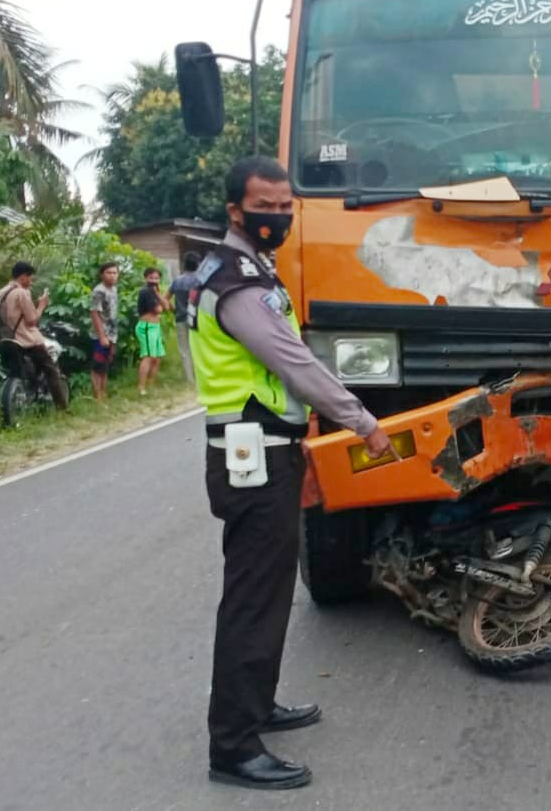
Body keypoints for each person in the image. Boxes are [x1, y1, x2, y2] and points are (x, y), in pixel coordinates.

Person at [195, 156, 393, 791]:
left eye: (286, 206)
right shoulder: (236, 283)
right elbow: (295, 365)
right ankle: (232, 746)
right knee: (253, 597)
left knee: (272, 588)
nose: (277, 215)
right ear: (235, 211)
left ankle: (257, 708)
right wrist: (361, 421)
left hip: (267, 447)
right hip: (249, 457)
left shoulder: (249, 269)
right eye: (265, 206)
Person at [0, 261, 69, 410]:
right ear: (23, 277)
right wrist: (42, 305)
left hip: (7, 339)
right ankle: (63, 409)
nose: (31, 281)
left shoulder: (1, 292)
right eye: (30, 278)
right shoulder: (21, 293)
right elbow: (32, 320)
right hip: (26, 340)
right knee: (51, 370)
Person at [134, 267, 171, 396]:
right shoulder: (146, 292)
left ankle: (150, 384)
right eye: (151, 278)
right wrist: (156, 295)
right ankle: (141, 387)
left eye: (156, 278)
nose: (154, 280)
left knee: (157, 357)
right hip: (146, 326)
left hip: (155, 327)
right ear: (146, 278)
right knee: (149, 357)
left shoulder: (155, 291)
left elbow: (166, 306)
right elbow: (158, 310)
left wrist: (158, 294)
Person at [169, 251, 202, 384]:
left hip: (181, 318)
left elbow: (165, 299)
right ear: (198, 264)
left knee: (185, 349)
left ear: (184, 265)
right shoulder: (200, 280)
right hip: (198, 318)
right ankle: (201, 376)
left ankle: (190, 379)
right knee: (199, 348)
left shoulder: (177, 281)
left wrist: (174, 310)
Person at [89, 262, 120, 402]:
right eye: (109, 272)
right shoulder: (99, 291)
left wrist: (113, 337)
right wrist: (102, 336)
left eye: (115, 273)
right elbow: (94, 313)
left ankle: (103, 394)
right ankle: (97, 398)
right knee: (98, 365)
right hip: (100, 334)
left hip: (112, 333)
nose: (112, 275)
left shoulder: (114, 290)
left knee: (106, 365)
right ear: (102, 274)